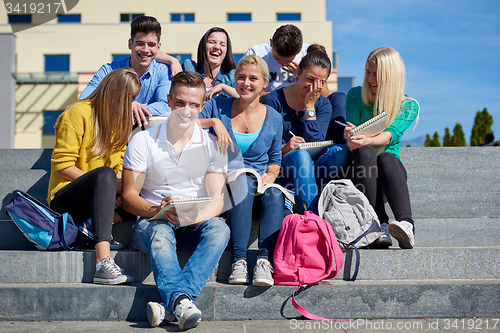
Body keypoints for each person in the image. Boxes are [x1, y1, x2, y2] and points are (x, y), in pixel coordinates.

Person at [121, 71, 230, 330]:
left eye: (194, 105)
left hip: (194, 221)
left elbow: (217, 200)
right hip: (152, 221)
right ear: (169, 100)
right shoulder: (143, 140)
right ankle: (182, 302)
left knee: (220, 229)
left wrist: (195, 216)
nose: (186, 111)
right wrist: (157, 209)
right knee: (159, 231)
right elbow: (128, 197)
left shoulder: (213, 145)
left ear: (202, 107)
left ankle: (174, 304)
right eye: (180, 103)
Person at [48, 68, 140, 285]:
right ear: (114, 94)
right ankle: (103, 262)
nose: (130, 105)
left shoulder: (120, 123)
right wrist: (104, 184)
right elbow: (62, 165)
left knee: (140, 193)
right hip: (65, 197)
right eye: (128, 99)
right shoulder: (77, 113)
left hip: (98, 196)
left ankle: (91, 224)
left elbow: (119, 165)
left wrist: (119, 187)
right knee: (105, 176)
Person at [199, 54, 284, 287]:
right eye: (241, 77)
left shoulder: (274, 117)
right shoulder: (218, 106)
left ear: (264, 83)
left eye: (253, 79)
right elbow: (184, 124)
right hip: (224, 181)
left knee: (276, 194)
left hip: (258, 182)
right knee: (243, 182)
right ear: (234, 80)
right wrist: (214, 123)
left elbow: (275, 158)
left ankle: (264, 261)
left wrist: (272, 174)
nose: (246, 83)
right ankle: (239, 260)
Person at [344, 47, 420, 249]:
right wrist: (350, 136)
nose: (370, 79)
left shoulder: (409, 105)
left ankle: (406, 224)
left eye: (377, 74)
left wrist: (366, 139)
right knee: (365, 151)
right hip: (358, 168)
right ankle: (379, 224)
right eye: (368, 73)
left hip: (388, 170)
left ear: (391, 75)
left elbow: (390, 136)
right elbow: (352, 130)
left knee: (385, 157)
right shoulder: (354, 95)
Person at [263, 51, 349, 214]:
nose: (313, 86)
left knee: (340, 151)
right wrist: (286, 147)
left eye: (319, 82)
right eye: (309, 79)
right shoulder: (273, 101)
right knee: (301, 156)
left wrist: (309, 106)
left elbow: (315, 142)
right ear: (298, 73)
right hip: (283, 167)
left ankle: (298, 192)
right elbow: (265, 147)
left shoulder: (323, 104)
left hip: (313, 167)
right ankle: (312, 217)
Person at [80, 15, 181, 126]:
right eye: (140, 44)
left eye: (151, 45)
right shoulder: (108, 70)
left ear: (158, 47)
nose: (145, 50)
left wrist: (131, 109)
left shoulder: (164, 71)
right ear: (130, 44)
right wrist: (124, 105)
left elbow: (166, 106)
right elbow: (84, 101)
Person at [158, 27, 238, 101]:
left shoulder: (232, 76)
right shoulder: (189, 67)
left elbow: (246, 99)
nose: (217, 47)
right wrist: (173, 60)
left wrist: (222, 87)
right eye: (211, 42)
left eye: (222, 44)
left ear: (227, 51)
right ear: (203, 46)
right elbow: (153, 53)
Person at [244, 24, 310, 97]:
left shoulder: (309, 53)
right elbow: (241, 88)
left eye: (289, 61)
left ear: (300, 50)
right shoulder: (256, 53)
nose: (283, 64)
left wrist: (303, 76)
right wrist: (269, 96)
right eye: (277, 58)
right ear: (271, 43)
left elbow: (323, 91)